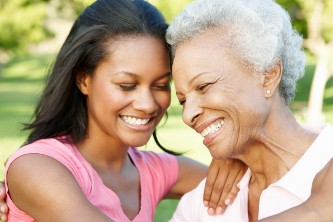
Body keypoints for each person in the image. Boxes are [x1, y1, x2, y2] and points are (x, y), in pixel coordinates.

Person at [4, 0, 247, 221]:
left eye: (161, 85)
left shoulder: (153, 170)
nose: (148, 104)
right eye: (127, 85)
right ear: (83, 80)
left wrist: (235, 158)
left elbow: (252, 186)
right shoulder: (36, 167)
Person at [166, 0, 333, 221]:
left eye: (203, 86)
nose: (188, 115)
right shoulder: (202, 204)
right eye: (183, 100)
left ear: (268, 74)